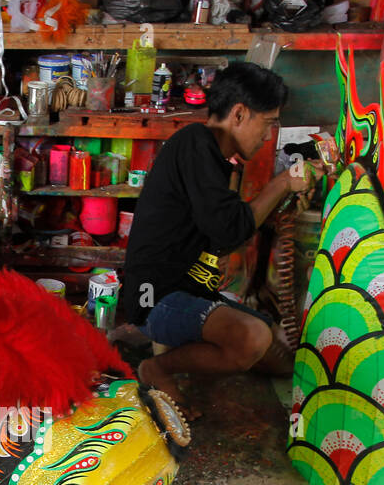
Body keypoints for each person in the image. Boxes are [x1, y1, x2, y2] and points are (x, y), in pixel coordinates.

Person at [116, 61, 321, 420]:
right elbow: (231, 229)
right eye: (268, 122)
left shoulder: (213, 157)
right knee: (252, 339)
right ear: (240, 114)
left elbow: (223, 234)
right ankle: (157, 369)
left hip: (188, 290)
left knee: (282, 357)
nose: (268, 134)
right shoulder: (196, 144)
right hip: (154, 295)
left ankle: (203, 348)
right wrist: (283, 183)